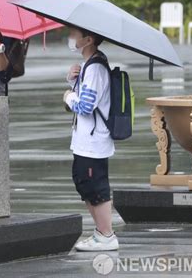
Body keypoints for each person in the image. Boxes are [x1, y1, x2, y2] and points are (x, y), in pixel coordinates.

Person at [62, 26, 118, 251]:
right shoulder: (89, 65)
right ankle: (100, 232)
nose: (70, 37)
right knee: (83, 182)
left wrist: (69, 96)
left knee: (96, 187)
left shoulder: (95, 68)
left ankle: (107, 235)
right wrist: (72, 81)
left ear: (88, 39)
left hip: (94, 141)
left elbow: (86, 106)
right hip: (85, 140)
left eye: (74, 34)